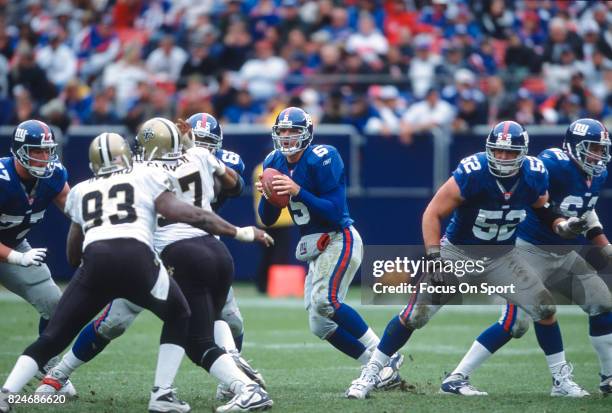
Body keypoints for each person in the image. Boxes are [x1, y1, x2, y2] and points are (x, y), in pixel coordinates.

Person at [34, 119, 273, 413]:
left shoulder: (159, 165)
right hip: (161, 253)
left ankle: (230, 380)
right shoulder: (184, 160)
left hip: (182, 252)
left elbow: (234, 187)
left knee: (223, 321)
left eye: (207, 142)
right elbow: (232, 187)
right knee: (117, 320)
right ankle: (58, 376)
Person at [345, 120, 587, 399]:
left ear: (523, 153)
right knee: (415, 316)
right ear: (488, 149)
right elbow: (432, 213)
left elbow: (543, 207)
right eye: (499, 151)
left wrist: (562, 226)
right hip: (458, 253)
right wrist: (435, 258)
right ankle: (370, 374)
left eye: (511, 153)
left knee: (544, 309)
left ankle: (560, 381)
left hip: (502, 256)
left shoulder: (534, 173)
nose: (504, 158)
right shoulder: (474, 172)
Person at [442, 118, 612, 396]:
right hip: (529, 249)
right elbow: (533, 191)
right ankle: (457, 377)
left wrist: (603, 245)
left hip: (564, 254)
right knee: (515, 323)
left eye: (601, 148)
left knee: (602, 303)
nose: (598, 154)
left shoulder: (598, 173)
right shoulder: (552, 164)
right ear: (573, 146)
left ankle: (608, 378)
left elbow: (586, 207)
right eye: (592, 147)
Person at [257, 107, 403, 389]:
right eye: (282, 131)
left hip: (340, 238)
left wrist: (298, 191)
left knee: (326, 300)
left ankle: (387, 356)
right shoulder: (273, 161)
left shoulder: (323, 158)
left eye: (293, 131)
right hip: (317, 247)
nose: (287, 137)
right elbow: (268, 218)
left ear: (307, 134)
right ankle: (379, 368)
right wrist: (268, 196)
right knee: (319, 324)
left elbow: (335, 212)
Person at [0, 119, 75, 392]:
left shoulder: (53, 175)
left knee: (55, 305)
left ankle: (47, 363)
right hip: (12, 252)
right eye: (36, 151)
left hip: (14, 245)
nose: (44, 158)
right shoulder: (2, 179)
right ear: (19, 151)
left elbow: (73, 208)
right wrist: (18, 259)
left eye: (47, 151)